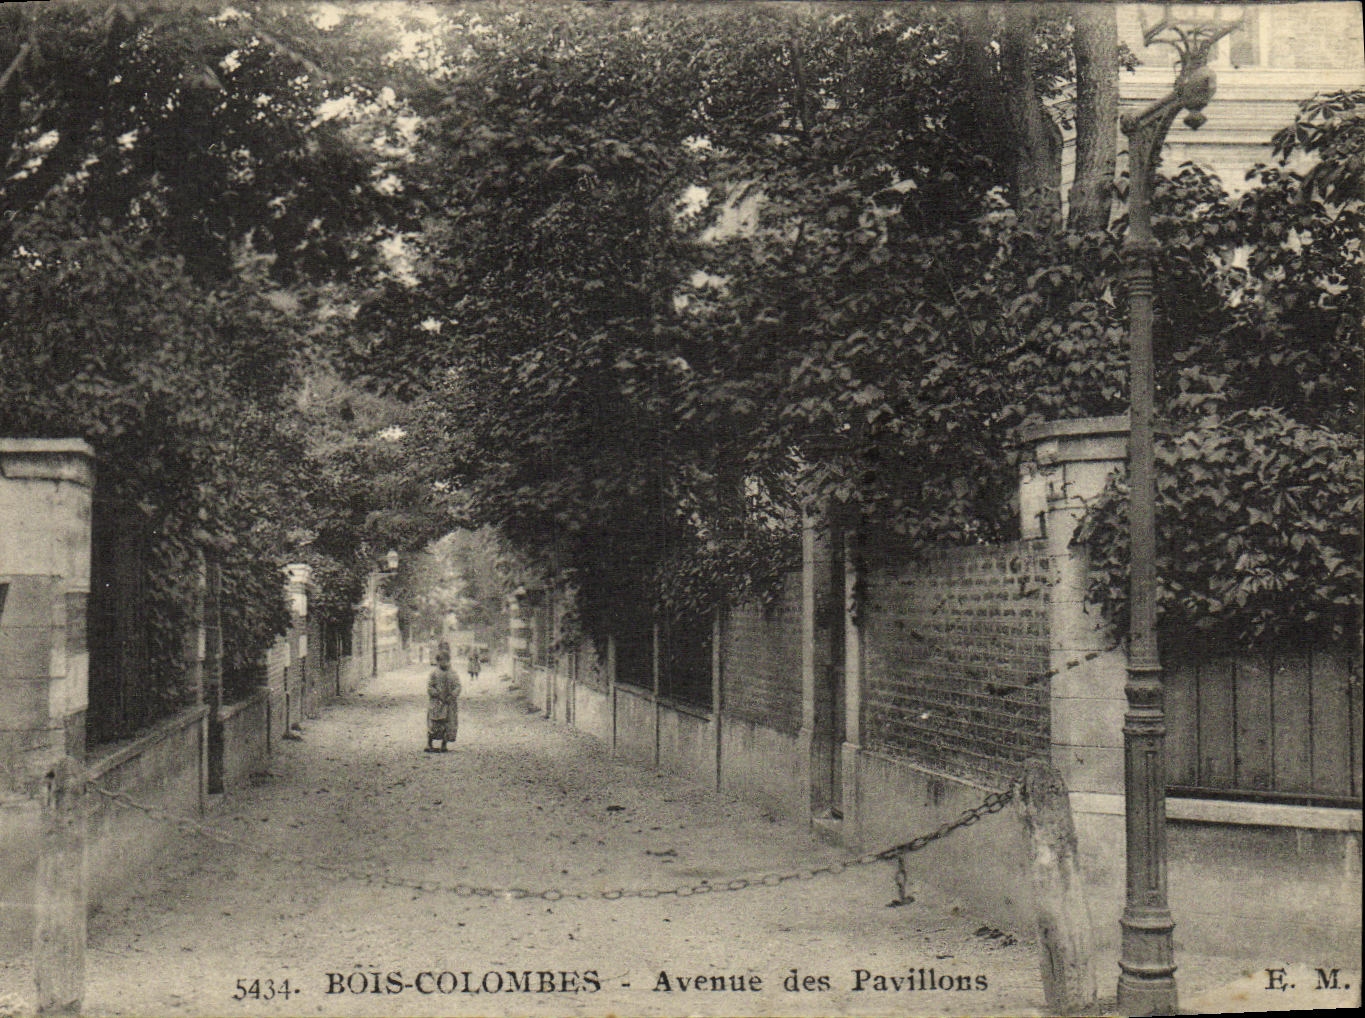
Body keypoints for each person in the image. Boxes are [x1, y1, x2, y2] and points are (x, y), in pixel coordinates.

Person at [425, 649, 460, 753]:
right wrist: (436, 694)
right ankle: (429, 743)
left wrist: (452, 695)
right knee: (434, 724)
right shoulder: (434, 673)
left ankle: (444, 744)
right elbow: (430, 687)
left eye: (445, 660)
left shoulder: (453, 673)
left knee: (448, 724)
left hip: (449, 703)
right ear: (437, 661)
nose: (443, 663)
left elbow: (458, 686)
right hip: (437, 703)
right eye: (440, 660)